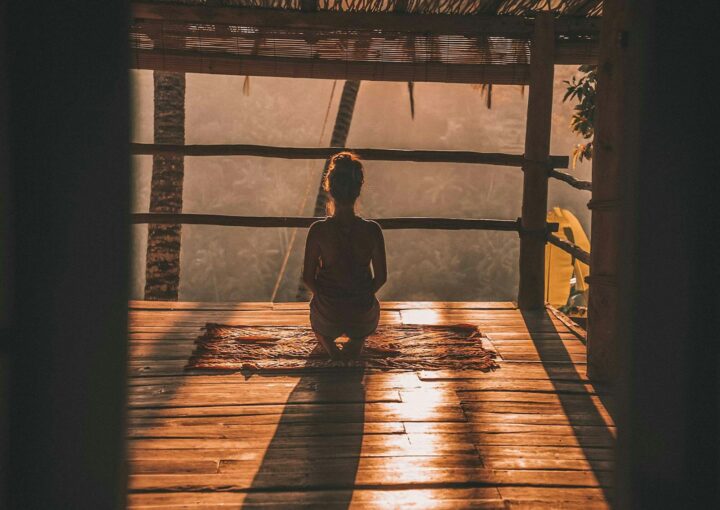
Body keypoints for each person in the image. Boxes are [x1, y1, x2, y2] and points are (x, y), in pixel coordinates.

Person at [303, 152, 387, 362]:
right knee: (366, 314)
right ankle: (358, 339)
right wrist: (360, 296)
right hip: (362, 316)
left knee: (319, 320)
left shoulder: (318, 231)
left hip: (328, 315)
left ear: (329, 188)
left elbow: (308, 278)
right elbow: (381, 278)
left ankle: (329, 344)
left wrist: (325, 297)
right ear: (358, 190)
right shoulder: (372, 230)